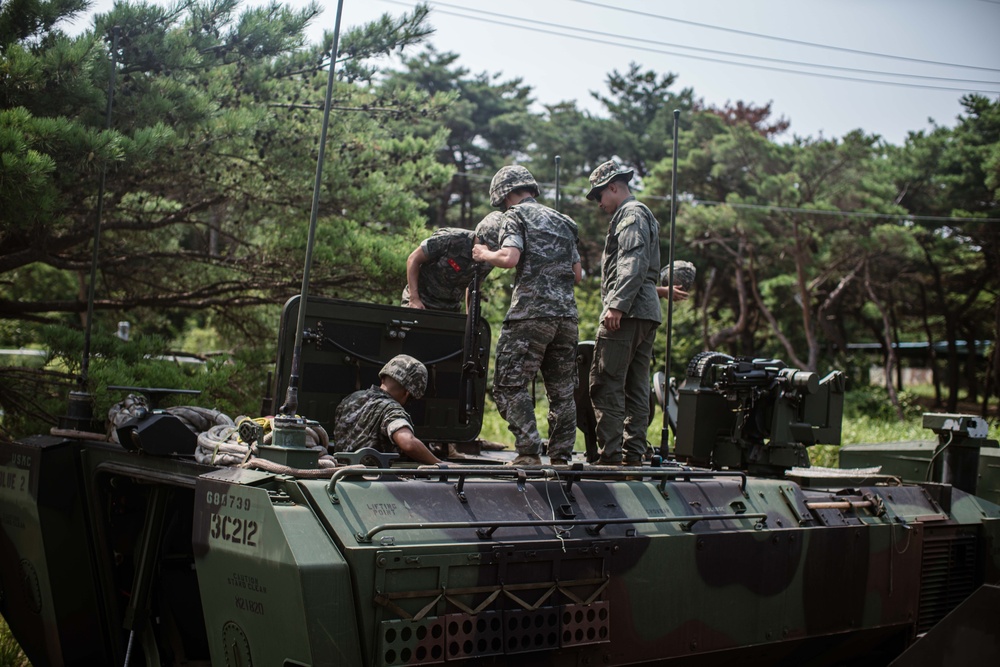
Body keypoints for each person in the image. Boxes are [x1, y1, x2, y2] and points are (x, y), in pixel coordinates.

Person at [472, 165, 582, 466]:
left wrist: (483, 254)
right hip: (567, 318)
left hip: (530, 316)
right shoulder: (565, 222)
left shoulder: (515, 216)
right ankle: (560, 457)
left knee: (508, 385)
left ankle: (529, 451)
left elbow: (509, 258)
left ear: (505, 194)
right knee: (562, 392)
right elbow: (577, 275)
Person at [585, 159, 684, 467]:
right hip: (644, 312)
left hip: (627, 314)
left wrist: (616, 304)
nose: (599, 203)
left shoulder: (630, 214)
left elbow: (632, 262)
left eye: (600, 195)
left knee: (606, 381)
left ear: (614, 187)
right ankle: (632, 454)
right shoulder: (640, 215)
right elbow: (644, 272)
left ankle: (612, 456)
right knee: (635, 386)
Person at [332, 354, 442, 465]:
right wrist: (439, 463)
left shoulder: (350, 399)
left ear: (383, 378)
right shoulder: (391, 409)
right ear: (407, 393)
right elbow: (408, 443)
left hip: (340, 475)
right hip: (372, 479)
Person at [401, 213, 503, 312]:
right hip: (421, 300)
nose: (492, 250)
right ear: (481, 236)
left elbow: (473, 288)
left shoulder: (489, 257)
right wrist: (414, 299)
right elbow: (413, 259)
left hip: (450, 308)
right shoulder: (451, 239)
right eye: (491, 245)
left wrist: (469, 320)